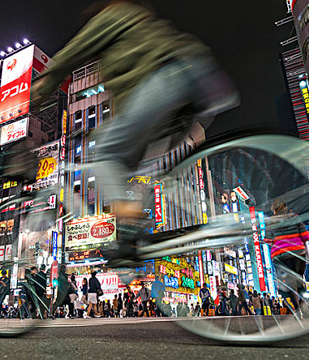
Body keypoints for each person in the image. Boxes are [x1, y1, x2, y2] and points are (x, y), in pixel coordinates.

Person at [31, 0, 238, 264]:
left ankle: (128, 227)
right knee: (136, 169)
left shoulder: (114, 15)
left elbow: (76, 50)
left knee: (105, 151)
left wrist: (42, 84)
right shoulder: (140, 27)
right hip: (192, 85)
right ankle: (143, 231)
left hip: (168, 77)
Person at [264, 199, 309, 316]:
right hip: (298, 252)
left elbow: (268, 240)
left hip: (280, 255)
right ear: (285, 207)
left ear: (274, 210)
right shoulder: (294, 217)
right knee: (299, 280)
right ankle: (305, 302)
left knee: (289, 284)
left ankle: (297, 309)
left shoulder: (271, 221)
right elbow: (305, 236)